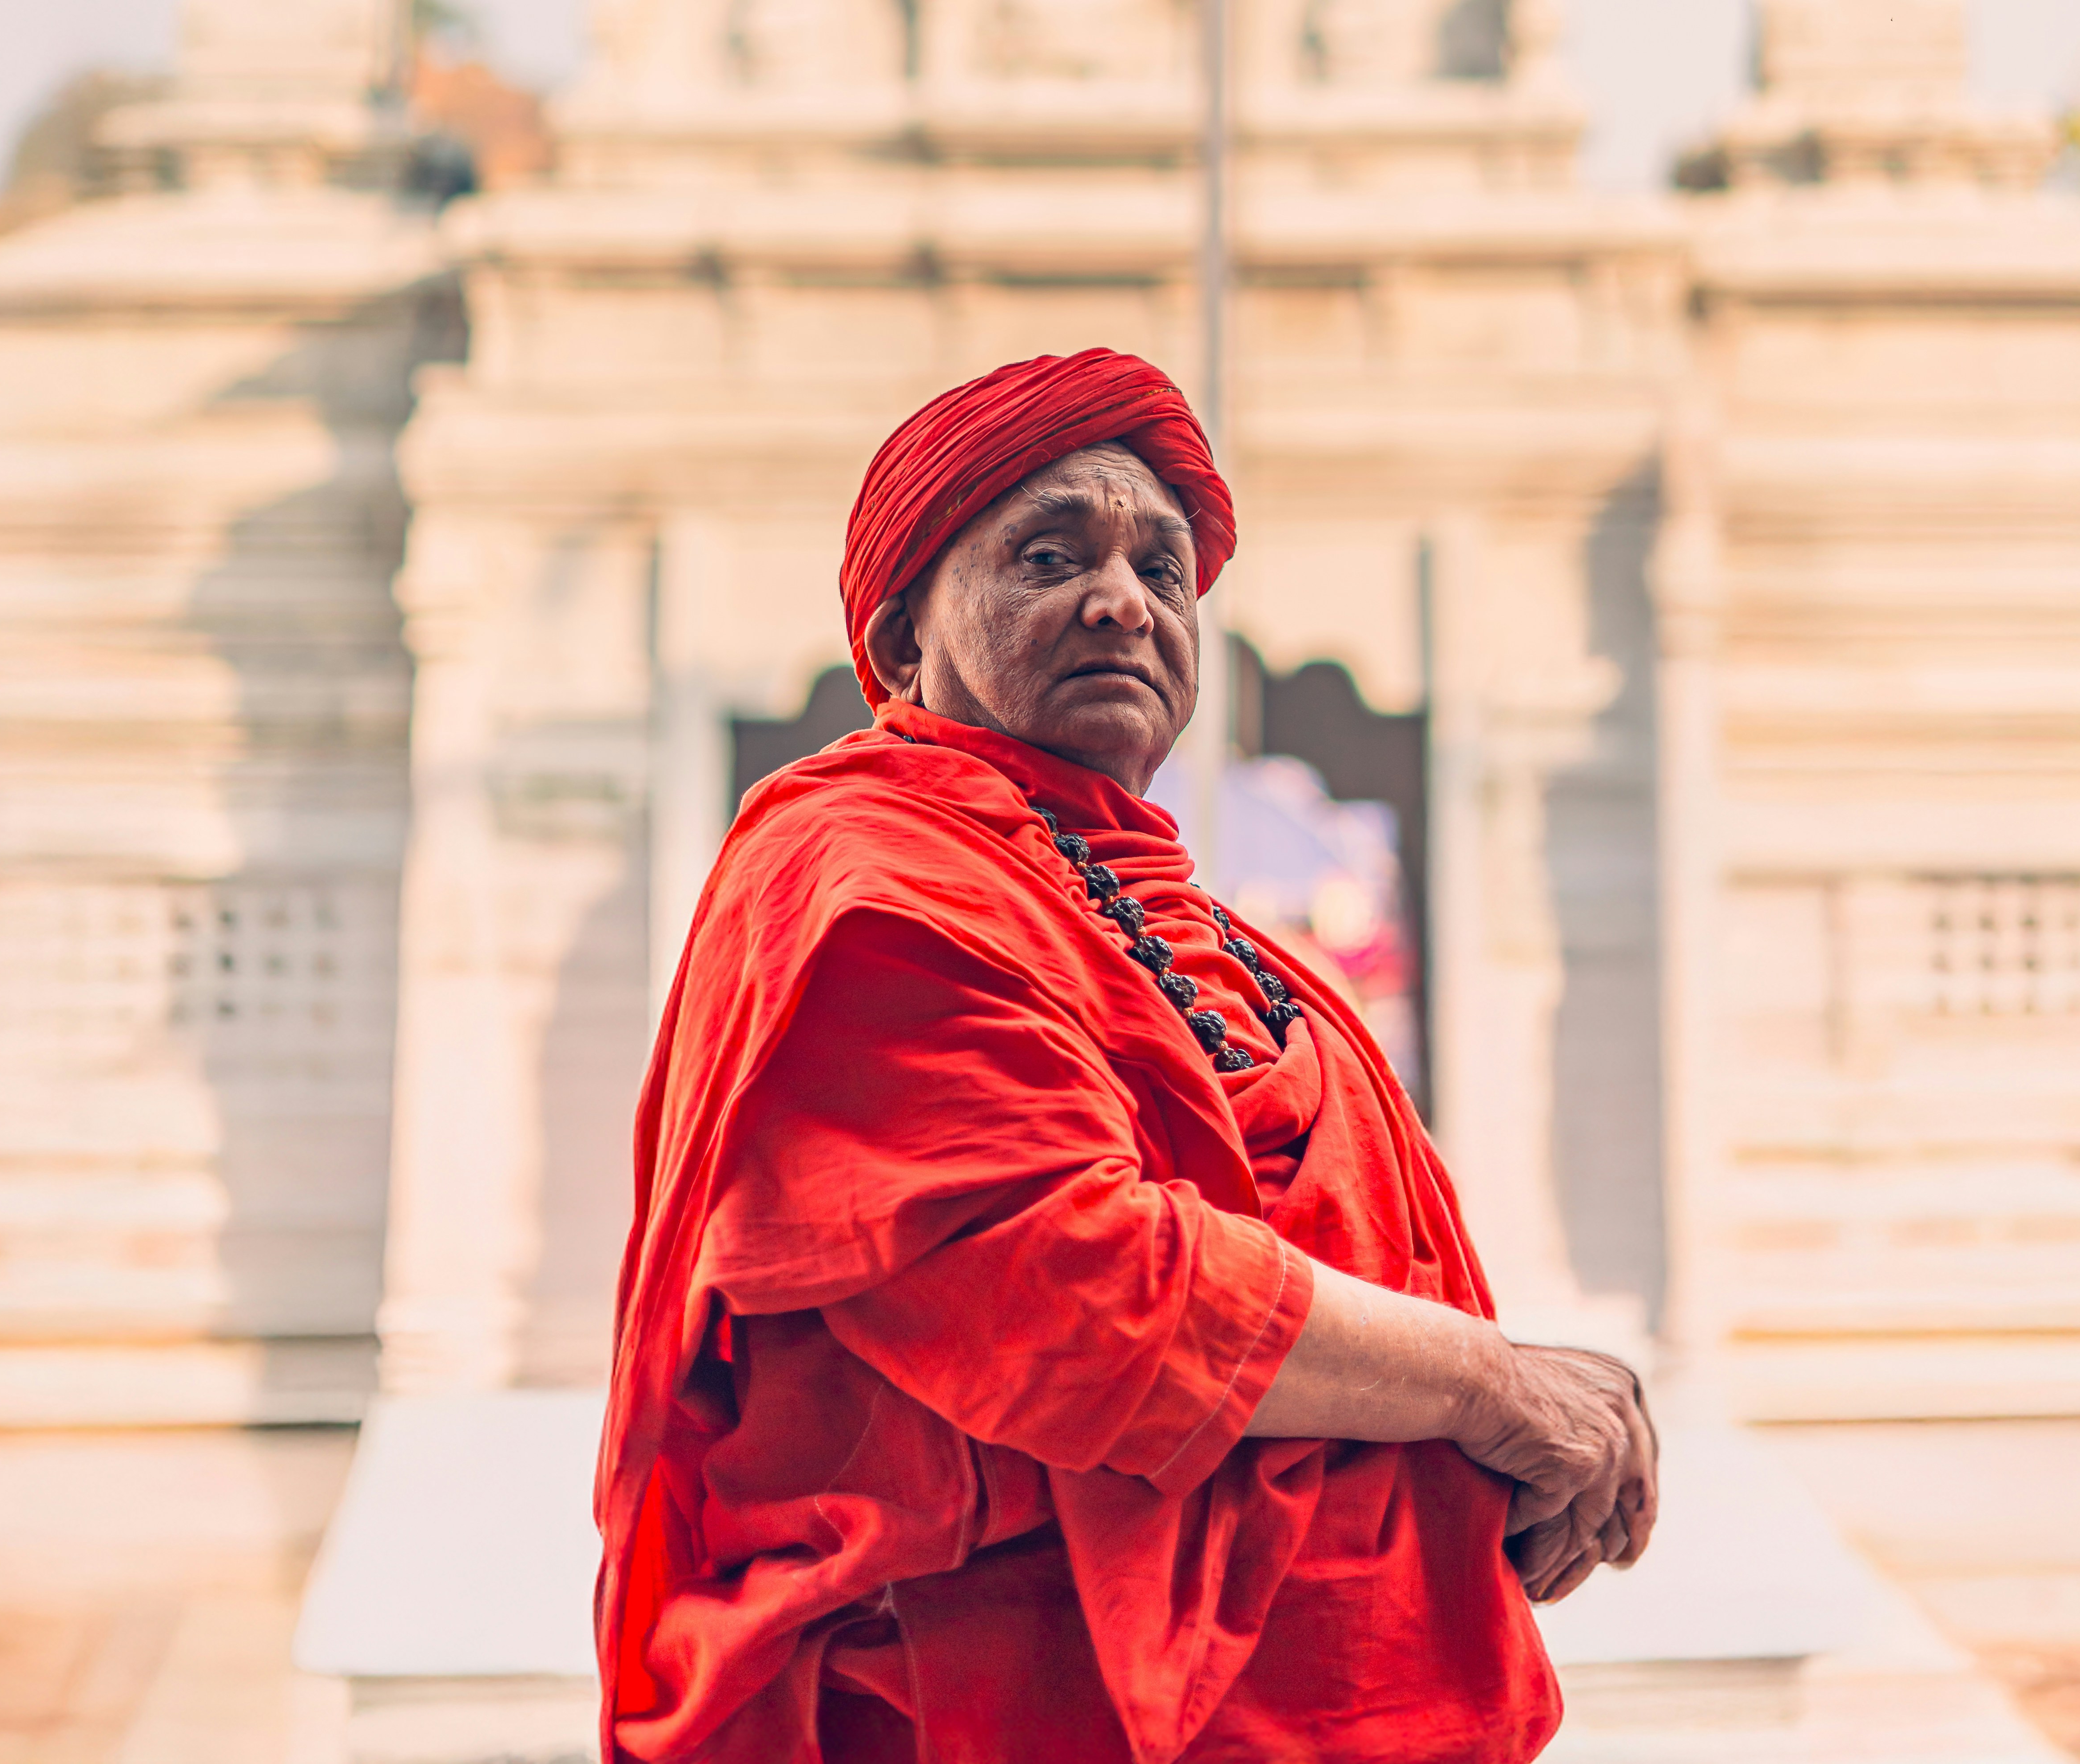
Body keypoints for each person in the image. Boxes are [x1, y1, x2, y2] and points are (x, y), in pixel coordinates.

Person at [597, 348, 1657, 1764]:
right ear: (904, 643)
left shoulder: (1225, 941)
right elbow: (1083, 1285)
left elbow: (1335, 1294)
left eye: (1164, 569)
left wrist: (1515, 1434)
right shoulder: (858, 876)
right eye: (1050, 555)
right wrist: (1494, 1390)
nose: (1122, 599)